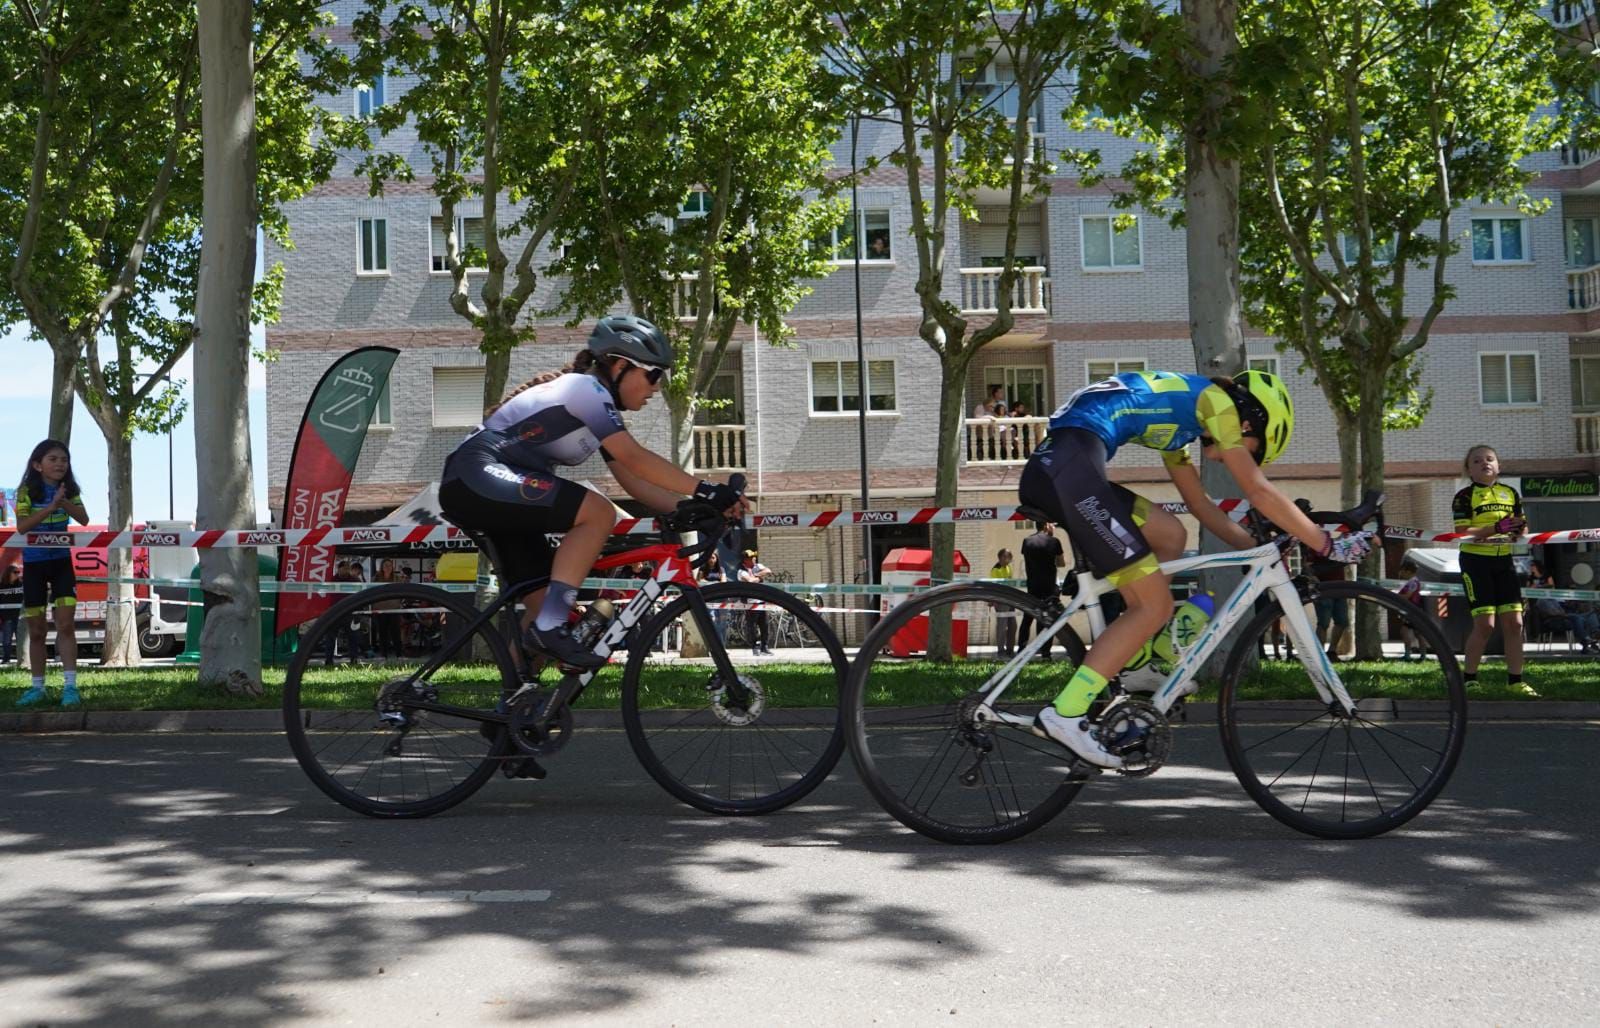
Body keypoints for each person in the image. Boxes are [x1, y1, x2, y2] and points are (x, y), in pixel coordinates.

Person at [1020, 369, 1371, 767]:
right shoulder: (1217, 403)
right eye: (1251, 448)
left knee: (1170, 534)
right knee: (1153, 607)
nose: (1227, 454)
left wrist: (1259, 549)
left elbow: (1201, 507)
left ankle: (1137, 660)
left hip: (1063, 467)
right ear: (1249, 419)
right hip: (1069, 472)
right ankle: (1065, 712)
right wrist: (1327, 544)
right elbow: (1257, 489)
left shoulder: (1181, 426)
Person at [438, 315, 746, 669]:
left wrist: (697, 507)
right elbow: (636, 457)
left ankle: (513, 709)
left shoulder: (596, 408)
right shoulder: (586, 391)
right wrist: (708, 490)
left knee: (540, 617)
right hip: (477, 473)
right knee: (598, 512)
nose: (657, 387)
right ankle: (550, 629)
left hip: (494, 487)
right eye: (653, 374)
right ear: (619, 366)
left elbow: (635, 482)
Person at [13, 440, 90, 708]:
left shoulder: (70, 489)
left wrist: (64, 501)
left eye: (64, 460)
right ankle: (37, 688)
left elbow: (84, 519)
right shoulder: (26, 491)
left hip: (61, 564)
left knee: (66, 625)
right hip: (34, 566)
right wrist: (49, 506)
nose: (60, 464)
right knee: (36, 630)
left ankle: (70, 687)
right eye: (53, 459)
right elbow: (22, 528)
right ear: (37, 465)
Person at [1453, 444, 1531, 694]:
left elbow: (1523, 530)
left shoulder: (1510, 493)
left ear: (1498, 466)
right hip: (1476, 562)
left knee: (1515, 623)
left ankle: (1516, 682)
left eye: (1490, 459)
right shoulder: (1465, 496)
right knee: (1485, 625)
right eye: (1476, 461)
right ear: (1469, 470)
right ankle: (1470, 679)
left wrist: (1518, 529)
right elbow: (1462, 532)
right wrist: (1496, 529)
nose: (1484, 463)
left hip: (1504, 561)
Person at [1015, 522, 1065, 660]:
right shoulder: (1054, 542)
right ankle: (1045, 654)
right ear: (1046, 526)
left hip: (1033, 586)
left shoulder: (1027, 541)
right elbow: (1061, 563)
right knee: (1046, 619)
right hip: (1049, 587)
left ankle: (1021, 650)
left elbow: (1027, 560)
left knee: (1027, 618)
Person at [738, 549, 772, 655]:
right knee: (752, 626)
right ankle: (754, 647)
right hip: (750, 602)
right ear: (746, 560)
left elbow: (768, 571)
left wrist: (756, 575)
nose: (754, 559)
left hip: (761, 601)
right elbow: (750, 581)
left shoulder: (758, 566)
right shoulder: (741, 571)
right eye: (752, 557)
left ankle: (764, 646)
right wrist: (760, 578)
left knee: (764, 625)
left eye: (754, 557)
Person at [1395, 558, 1427, 661]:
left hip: (1412, 610)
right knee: (1417, 633)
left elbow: (1408, 596)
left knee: (1406, 632)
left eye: (1402, 571)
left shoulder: (1413, 582)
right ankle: (1421, 655)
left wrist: (1395, 596)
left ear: (1408, 571)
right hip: (1413, 610)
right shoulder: (1412, 581)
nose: (1401, 573)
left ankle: (1409, 655)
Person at [371, 558, 404, 659]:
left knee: (396, 633)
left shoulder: (398, 578)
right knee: (382, 633)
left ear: (393, 567)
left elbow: (403, 591)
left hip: (394, 609)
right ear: (382, 567)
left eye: (390, 565)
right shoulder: (375, 578)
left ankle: (399, 655)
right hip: (380, 610)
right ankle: (383, 655)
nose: (388, 567)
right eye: (385, 565)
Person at [989, 547, 1016, 656]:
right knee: (1002, 625)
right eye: (1005, 557)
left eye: (1009, 557)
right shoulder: (995, 570)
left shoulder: (1009, 567)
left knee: (1013, 624)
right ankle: (1001, 649)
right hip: (1000, 600)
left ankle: (1010, 649)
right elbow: (993, 586)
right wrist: (993, 600)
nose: (1007, 559)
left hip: (1010, 599)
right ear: (1000, 557)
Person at [701, 549, 730, 643]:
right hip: (709, 599)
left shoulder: (721, 569)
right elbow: (700, 582)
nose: (711, 560)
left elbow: (723, 582)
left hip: (722, 599)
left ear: (717, 559)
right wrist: (715, 583)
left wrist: (709, 583)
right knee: (712, 621)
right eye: (709, 557)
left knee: (722, 623)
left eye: (713, 557)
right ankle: (714, 644)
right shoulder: (703, 569)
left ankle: (723, 645)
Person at [0, 563, 21, 665]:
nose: (18, 574)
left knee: (20, 639)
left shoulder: (21, 585)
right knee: (6, 639)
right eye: (15, 572)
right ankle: (6, 659)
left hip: (20, 616)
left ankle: (21, 659)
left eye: (19, 572)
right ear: (9, 573)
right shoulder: (1, 585)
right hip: (6, 617)